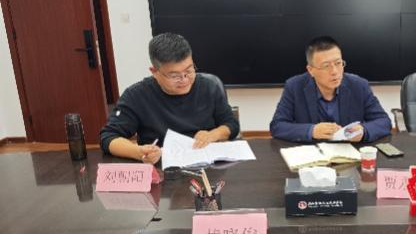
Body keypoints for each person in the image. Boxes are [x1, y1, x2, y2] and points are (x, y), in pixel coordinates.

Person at [100, 33, 239, 164]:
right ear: (154, 72)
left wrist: (213, 134)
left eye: (189, 70)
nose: (184, 79)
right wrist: (139, 152)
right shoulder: (136, 95)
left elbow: (231, 124)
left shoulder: (209, 86)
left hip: (208, 165)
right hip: (162, 167)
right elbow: (108, 137)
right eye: (174, 76)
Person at [270, 36, 391, 143]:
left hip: (348, 151)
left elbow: (384, 121)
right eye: (326, 66)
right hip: (312, 153)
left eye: (338, 63)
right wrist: (311, 131)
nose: (334, 71)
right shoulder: (294, 86)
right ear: (311, 70)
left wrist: (364, 131)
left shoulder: (359, 85)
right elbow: (277, 126)